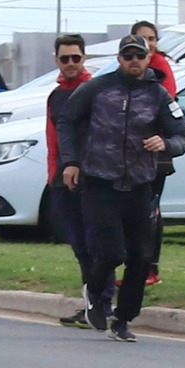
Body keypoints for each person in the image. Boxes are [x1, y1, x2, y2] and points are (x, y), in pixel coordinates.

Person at [55, 31, 185, 342]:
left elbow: (183, 136)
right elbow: (66, 121)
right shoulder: (97, 88)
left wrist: (165, 143)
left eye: (139, 56)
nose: (134, 61)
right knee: (111, 252)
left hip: (140, 184)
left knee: (141, 257)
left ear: (148, 58)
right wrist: (71, 161)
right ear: (119, 59)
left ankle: (124, 318)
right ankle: (94, 292)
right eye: (128, 56)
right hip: (100, 182)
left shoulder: (159, 95)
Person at [46, 34, 110, 328]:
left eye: (76, 58)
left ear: (84, 59)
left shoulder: (96, 91)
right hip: (63, 181)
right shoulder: (56, 96)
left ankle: (103, 304)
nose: (70, 63)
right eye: (65, 59)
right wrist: (53, 176)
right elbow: (53, 139)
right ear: (57, 60)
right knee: (80, 246)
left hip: (93, 179)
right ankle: (91, 303)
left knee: (98, 244)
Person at [129, 19, 175, 287]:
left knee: (150, 210)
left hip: (155, 153)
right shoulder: (129, 68)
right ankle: (136, 267)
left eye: (152, 39)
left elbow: (165, 107)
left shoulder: (160, 68)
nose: (147, 44)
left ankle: (150, 268)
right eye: (142, 39)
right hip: (132, 154)